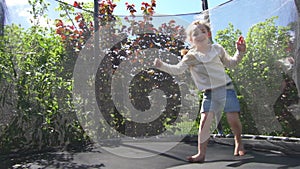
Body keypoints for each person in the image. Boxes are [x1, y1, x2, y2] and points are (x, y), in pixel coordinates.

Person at [153, 20, 246, 162]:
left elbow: (232, 63)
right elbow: (177, 70)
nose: (200, 34)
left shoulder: (217, 49)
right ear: (191, 40)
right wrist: (162, 65)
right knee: (204, 123)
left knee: (233, 119)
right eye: (196, 33)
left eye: (203, 31)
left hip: (226, 89)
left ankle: (238, 142)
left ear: (208, 34)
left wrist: (239, 52)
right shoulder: (191, 57)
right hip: (209, 94)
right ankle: (201, 154)